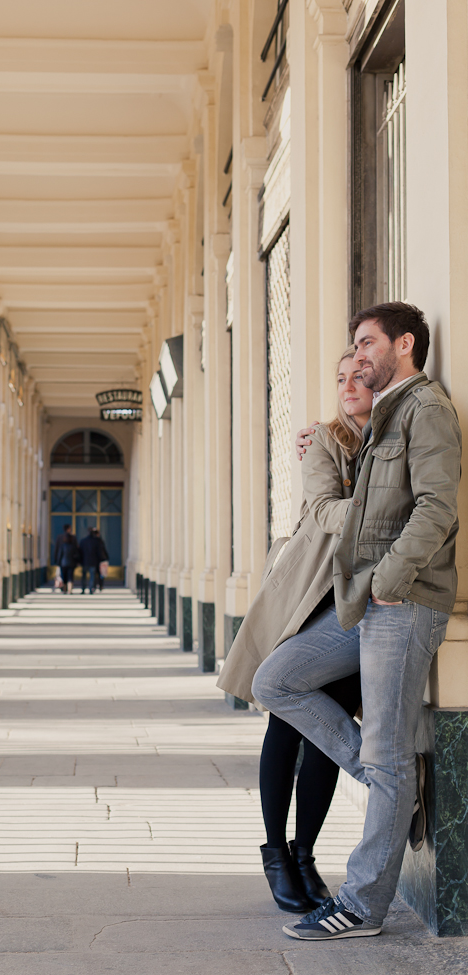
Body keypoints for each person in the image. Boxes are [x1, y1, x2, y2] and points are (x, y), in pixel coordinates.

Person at [252, 302, 461, 941]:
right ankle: (384, 779)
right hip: (364, 600)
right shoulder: (388, 414)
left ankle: (362, 905)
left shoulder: (425, 409)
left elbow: (436, 507)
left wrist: (391, 579)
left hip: (404, 600)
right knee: (275, 681)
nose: (359, 354)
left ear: (404, 344)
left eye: (367, 343)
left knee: (391, 750)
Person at [218, 348, 372, 913]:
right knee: (284, 726)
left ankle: (305, 854)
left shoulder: (393, 436)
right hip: (310, 600)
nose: (348, 385)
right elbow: (327, 509)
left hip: (360, 610)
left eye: (359, 375)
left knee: (325, 735)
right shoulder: (326, 442)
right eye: (340, 378)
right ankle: (275, 854)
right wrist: (382, 505)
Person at [53, 526, 79, 594]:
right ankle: (70, 590)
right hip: (71, 563)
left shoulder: (62, 545)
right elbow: (77, 555)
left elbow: (59, 555)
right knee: (70, 577)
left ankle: (64, 589)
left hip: (63, 563)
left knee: (64, 576)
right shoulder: (73, 546)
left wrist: (58, 562)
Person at [79, 528, 101, 594]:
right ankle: (91, 589)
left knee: (84, 576)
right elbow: (99, 552)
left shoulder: (83, 541)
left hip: (85, 561)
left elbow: (80, 552)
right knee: (92, 576)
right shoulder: (96, 541)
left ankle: (83, 589)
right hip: (93, 562)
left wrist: (80, 561)